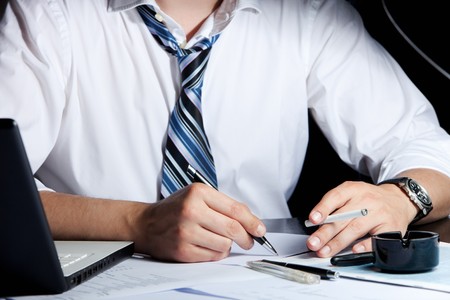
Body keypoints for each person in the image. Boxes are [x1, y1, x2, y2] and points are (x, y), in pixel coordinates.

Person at [1, 0, 449, 263]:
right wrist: (137, 221)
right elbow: (6, 192)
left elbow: (430, 148)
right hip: (96, 278)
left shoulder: (307, 14)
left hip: (270, 277)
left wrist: (400, 197)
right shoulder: (49, 13)